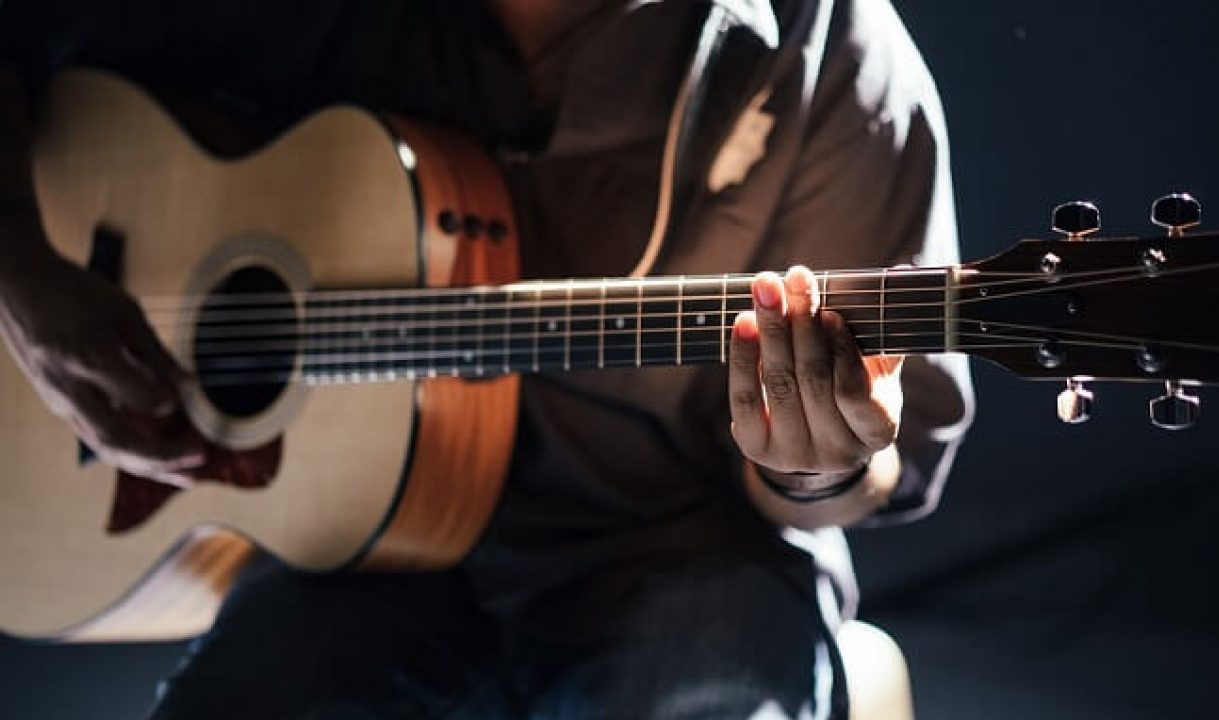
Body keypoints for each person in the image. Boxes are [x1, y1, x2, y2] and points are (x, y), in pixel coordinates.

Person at [0, 0, 973, 717]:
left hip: (683, 559)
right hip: (357, 568)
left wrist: (815, 459)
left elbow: (876, 467)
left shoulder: (833, 52)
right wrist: (24, 273)